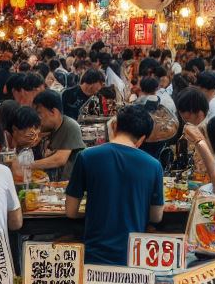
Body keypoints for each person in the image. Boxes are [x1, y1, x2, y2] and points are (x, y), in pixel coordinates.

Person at [66, 105, 164, 265]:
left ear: (115, 126)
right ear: (142, 138)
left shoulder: (86, 157)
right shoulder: (154, 165)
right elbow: (156, 216)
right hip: (132, 258)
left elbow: (70, 211)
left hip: (94, 256)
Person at [32, 90, 86, 182]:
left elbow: (59, 159)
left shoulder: (70, 126)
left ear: (53, 112)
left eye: (39, 113)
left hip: (70, 184)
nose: (38, 118)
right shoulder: (47, 129)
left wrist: (27, 165)